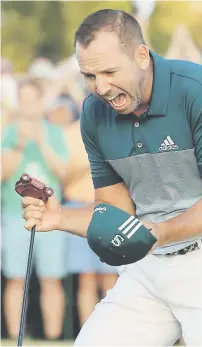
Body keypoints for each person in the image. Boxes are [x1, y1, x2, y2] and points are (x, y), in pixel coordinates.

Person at [21, 10, 202, 346]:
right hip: (151, 264)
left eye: (109, 71)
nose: (101, 87)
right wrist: (61, 216)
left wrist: (158, 233)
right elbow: (116, 212)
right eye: (89, 75)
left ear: (141, 56)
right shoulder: (94, 112)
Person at [1, 78, 68, 340]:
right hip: (14, 214)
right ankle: (13, 335)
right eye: (23, 100)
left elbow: (63, 173)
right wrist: (18, 144)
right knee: (16, 278)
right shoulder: (8, 131)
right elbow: (3, 174)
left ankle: (53, 338)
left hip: (50, 215)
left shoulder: (54, 132)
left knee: (52, 279)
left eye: (32, 100)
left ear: (41, 102)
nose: (28, 106)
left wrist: (41, 143)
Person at [63, 121, 118, 327]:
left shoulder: (114, 127)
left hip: (112, 207)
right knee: (86, 276)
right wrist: (94, 158)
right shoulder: (70, 132)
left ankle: (111, 332)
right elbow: (62, 173)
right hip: (79, 205)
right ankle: (89, 332)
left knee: (110, 278)